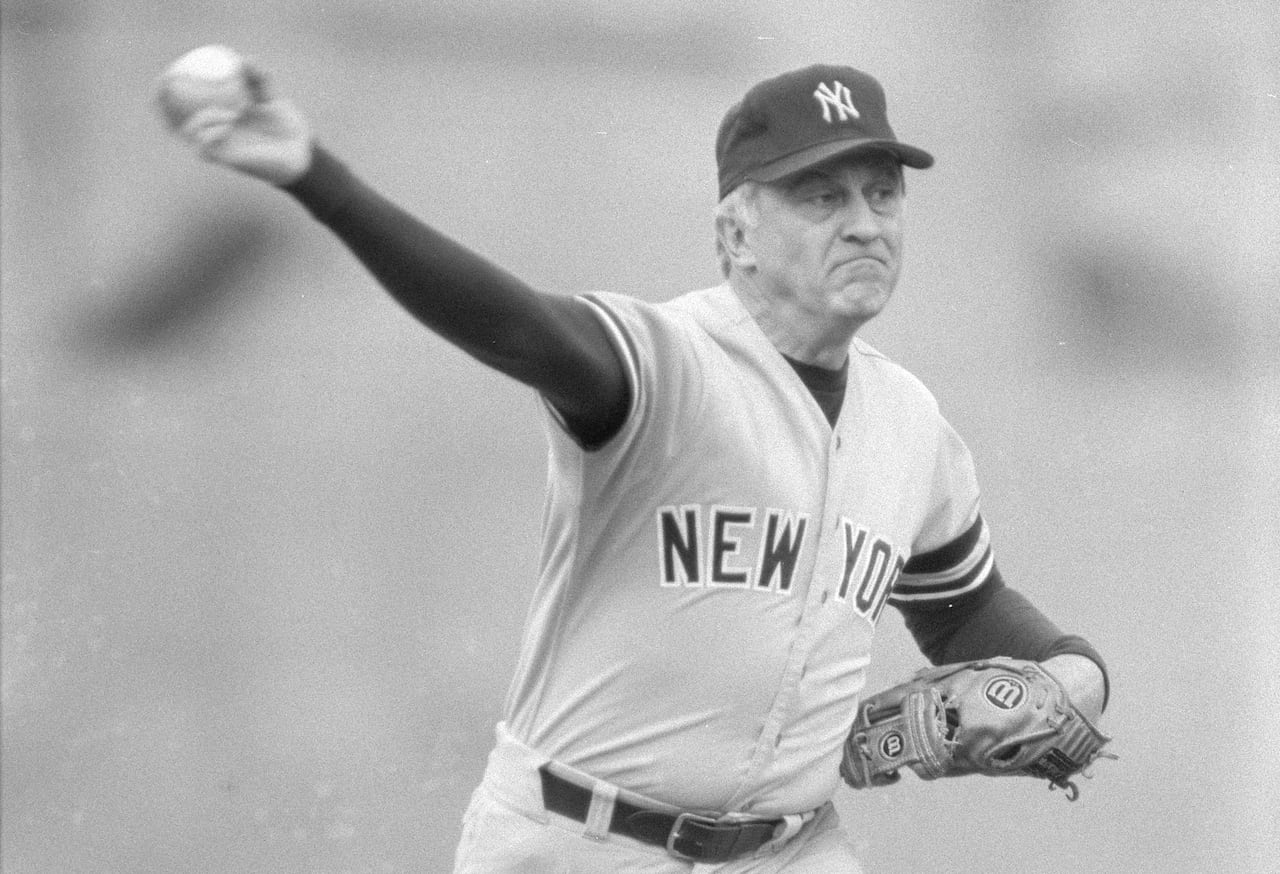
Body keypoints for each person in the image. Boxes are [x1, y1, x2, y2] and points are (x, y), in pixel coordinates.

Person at [160, 58, 1109, 872]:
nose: (865, 223)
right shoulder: (660, 366)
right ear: (736, 232)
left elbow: (965, 608)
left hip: (791, 849)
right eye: (823, 196)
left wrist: (1075, 677)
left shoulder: (910, 424)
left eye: (883, 193)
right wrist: (318, 180)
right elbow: (506, 321)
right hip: (577, 841)